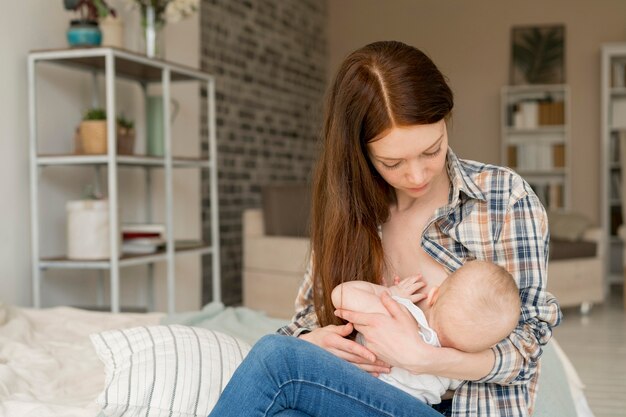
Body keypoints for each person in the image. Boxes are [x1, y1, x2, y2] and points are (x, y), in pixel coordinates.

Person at [209, 40, 561, 417]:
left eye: (431, 150)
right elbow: (306, 319)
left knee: (273, 359)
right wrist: (316, 342)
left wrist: (425, 358)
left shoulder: (502, 199)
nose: (416, 175)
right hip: (365, 397)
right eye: (392, 162)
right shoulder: (350, 215)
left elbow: (527, 348)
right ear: (360, 152)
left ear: (446, 120)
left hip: (458, 410)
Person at [331, 260, 521, 405]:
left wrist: (391, 295)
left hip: (355, 389)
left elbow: (341, 294)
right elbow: (446, 393)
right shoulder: (455, 371)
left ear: (433, 295)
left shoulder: (403, 313)